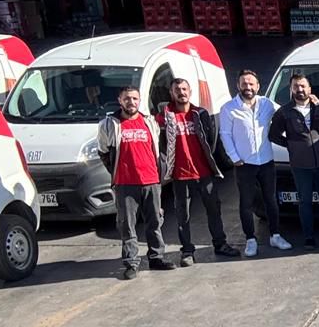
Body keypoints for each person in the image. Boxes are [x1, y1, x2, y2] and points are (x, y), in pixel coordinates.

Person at [96, 86, 173, 279]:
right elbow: (103, 151)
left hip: (151, 180)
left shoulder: (149, 122)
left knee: (155, 221)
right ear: (120, 100)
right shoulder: (110, 124)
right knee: (127, 225)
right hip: (125, 183)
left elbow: (159, 147)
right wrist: (117, 172)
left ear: (139, 101)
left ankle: (156, 257)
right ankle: (131, 262)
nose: (131, 102)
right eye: (127, 99)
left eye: (135, 99)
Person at [159, 77, 236, 266]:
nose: (181, 92)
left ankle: (220, 244)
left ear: (190, 91)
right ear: (171, 93)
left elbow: (210, 139)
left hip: (204, 172)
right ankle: (187, 251)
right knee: (182, 216)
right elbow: (160, 142)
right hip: (179, 174)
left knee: (214, 210)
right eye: (177, 90)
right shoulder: (165, 116)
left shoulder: (200, 113)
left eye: (184, 89)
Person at [218, 70, 291, 257]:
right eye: (244, 84)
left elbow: (286, 113)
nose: (248, 87)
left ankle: (275, 236)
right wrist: (234, 157)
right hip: (244, 164)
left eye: (251, 84)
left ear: (258, 86)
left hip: (266, 161)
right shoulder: (228, 108)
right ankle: (250, 240)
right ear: (238, 85)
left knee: (271, 200)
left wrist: (312, 103)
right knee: (246, 203)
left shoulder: (267, 104)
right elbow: (225, 134)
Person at [267, 72, 319, 248]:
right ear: (291, 89)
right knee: (305, 201)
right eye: (296, 86)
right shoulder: (284, 112)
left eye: (303, 86)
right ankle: (309, 237)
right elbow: (273, 135)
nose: (299, 89)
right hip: (300, 165)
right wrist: (292, 145)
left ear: (309, 88)